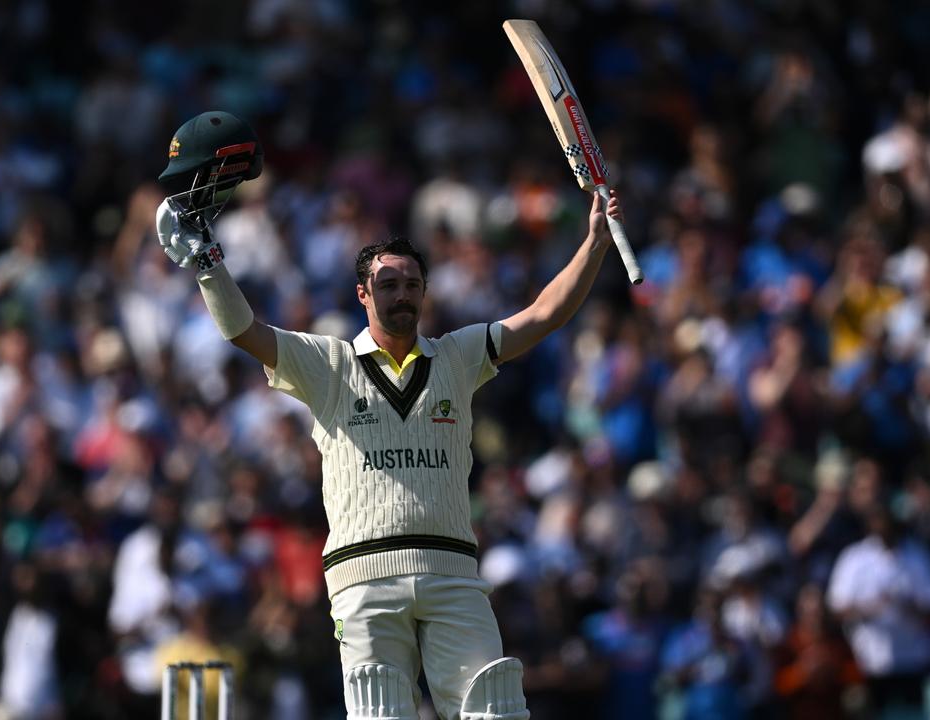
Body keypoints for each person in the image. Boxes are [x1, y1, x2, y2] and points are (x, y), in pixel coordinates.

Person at [153, 110, 624, 720]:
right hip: (364, 577)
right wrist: (208, 266)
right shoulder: (328, 364)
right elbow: (245, 331)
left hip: (452, 570)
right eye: (387, 283)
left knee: (498, 709)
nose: (400, 294)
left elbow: (543, 315)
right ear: (362, 294)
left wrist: (594, 243)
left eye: (410, 284)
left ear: (424, 293)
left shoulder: (457, 356)